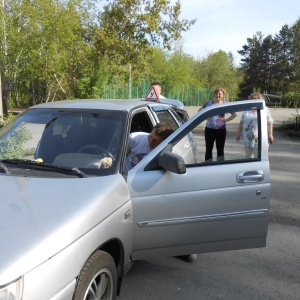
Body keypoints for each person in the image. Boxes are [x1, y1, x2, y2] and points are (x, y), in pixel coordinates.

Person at [124, 122, 198, 263]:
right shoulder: (135, 138)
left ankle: (180, 247)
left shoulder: (169, 153)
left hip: (147, 189)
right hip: (124, 183)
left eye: (155, 141)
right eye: (150, 137)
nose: (150, 141)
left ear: (165, 143)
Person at [198, 87, 237, 161]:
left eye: (220, 94)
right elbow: (199, 111)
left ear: (223, 96)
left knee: (220, 149)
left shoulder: (225, 105)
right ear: (214, 94)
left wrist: (226, 120)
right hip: (209, 129)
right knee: (209, 149)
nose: (218, 95)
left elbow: (234, 114)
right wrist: (206, 118)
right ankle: (208, 165)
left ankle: (220, 165)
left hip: (221, 130)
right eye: (216, 93)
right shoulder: (209, 103)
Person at [236, 92, 274, 158]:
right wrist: (238, 134)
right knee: (248, 158)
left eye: (255, 99)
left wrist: (270, 134)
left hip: (260, 139)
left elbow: (269, 122)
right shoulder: (246, 110)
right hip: (248, 138)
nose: (253, 101)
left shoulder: (264, 109)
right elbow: (241, 123)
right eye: (252, 99)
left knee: (259, 157)